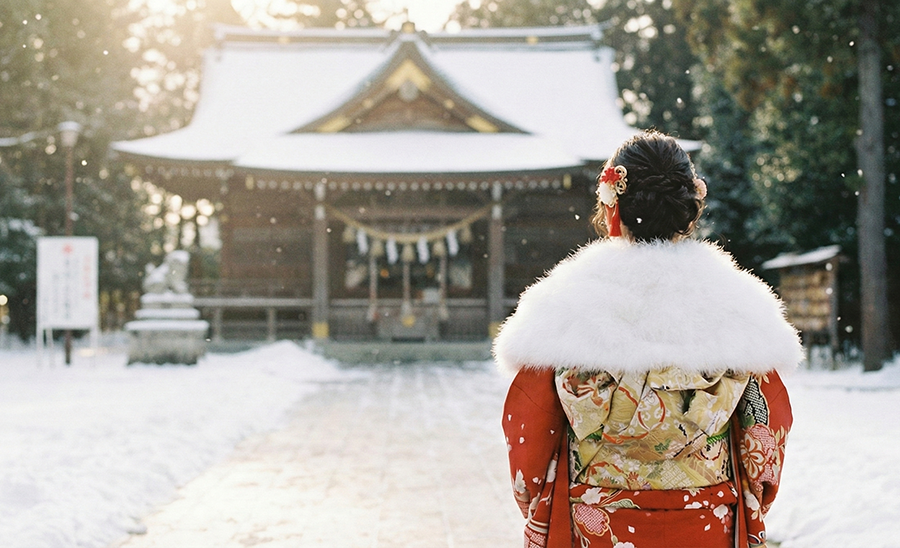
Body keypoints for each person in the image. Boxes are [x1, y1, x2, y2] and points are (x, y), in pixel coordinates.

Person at [493, 131, 801, 548]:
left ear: (612, 203)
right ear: (689, 208)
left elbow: (527, 432)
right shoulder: (737, 304)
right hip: (707, 519)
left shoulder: (563, 303)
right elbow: (765, 432)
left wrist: (539, 497)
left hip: (597, 521)